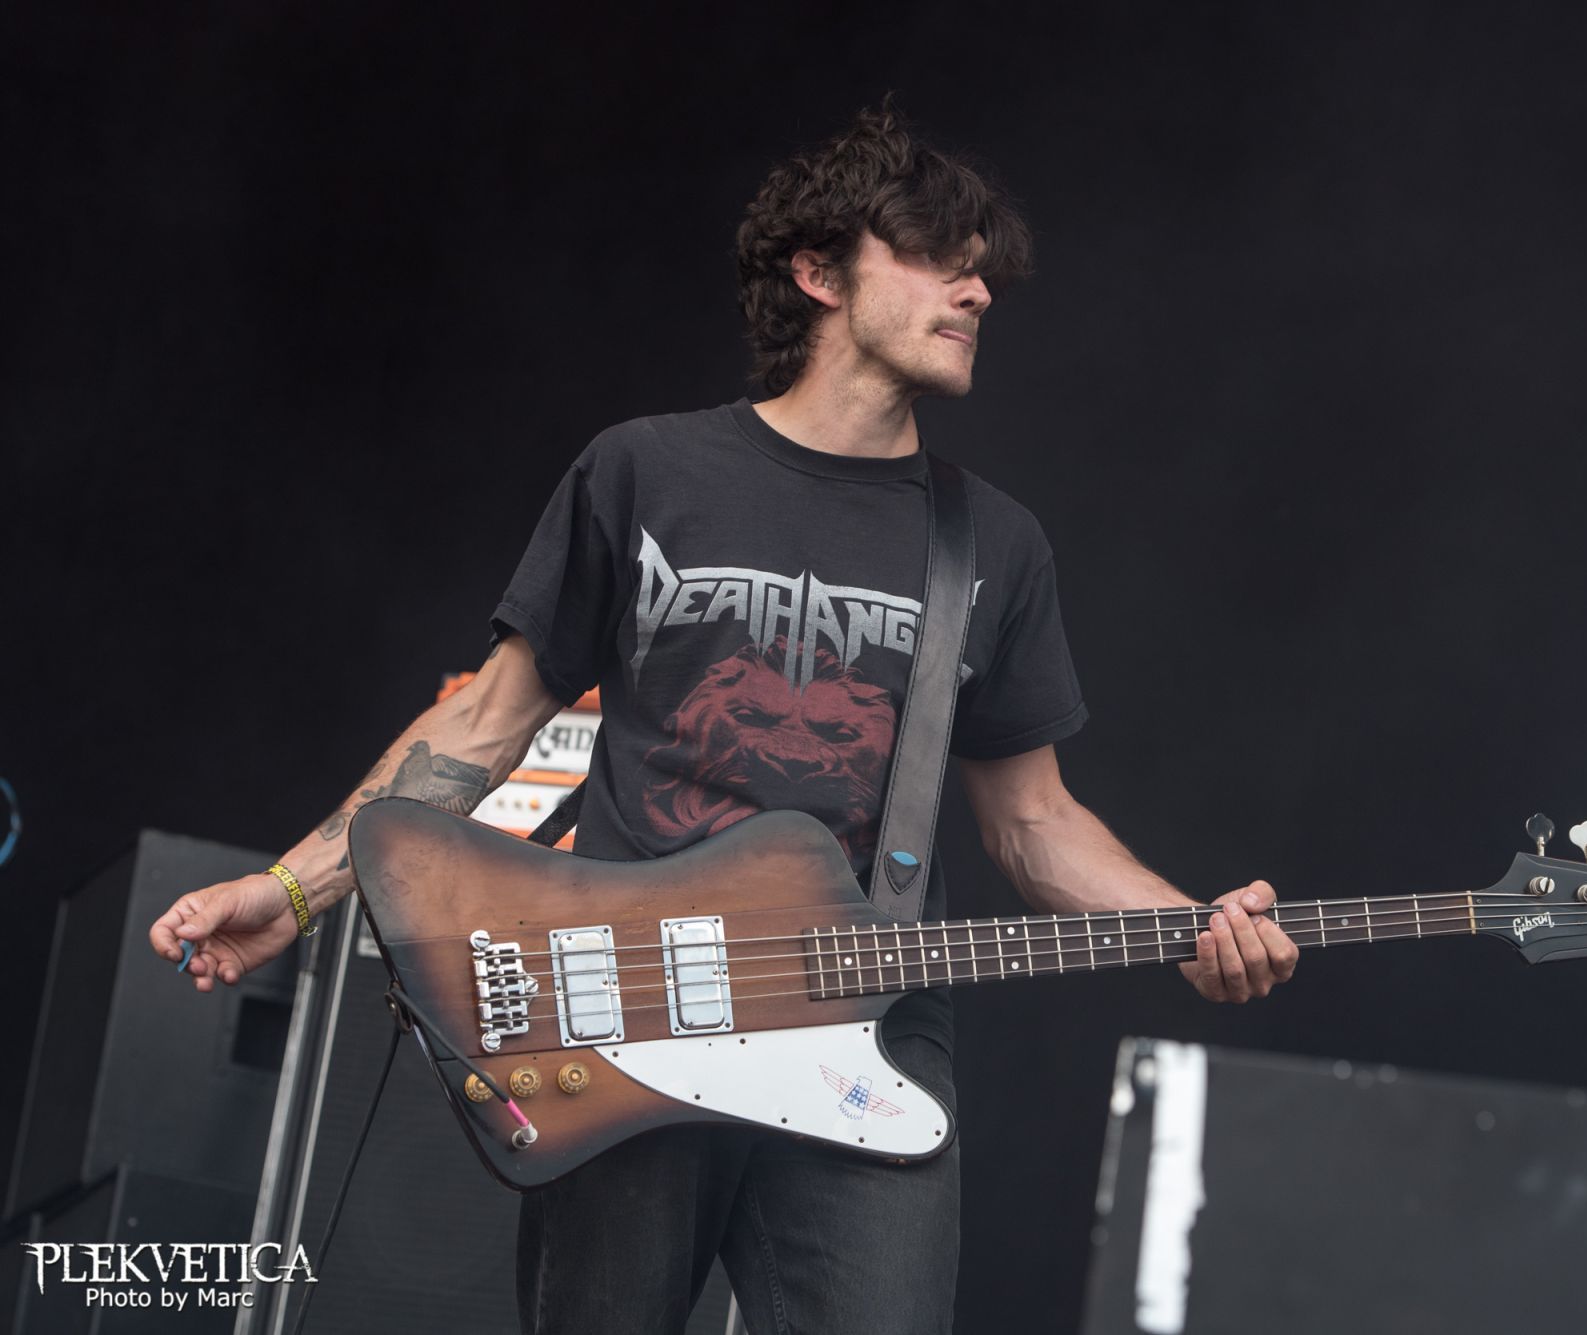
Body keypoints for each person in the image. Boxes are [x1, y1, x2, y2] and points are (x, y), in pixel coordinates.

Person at [149, 98, 1299, 1334]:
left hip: (869, 1026)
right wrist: (294, 889)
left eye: (984, 274)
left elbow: (1031, 822)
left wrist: (1184, 927)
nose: (975, 291)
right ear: (818, 272)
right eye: (935, 256)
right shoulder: (645, 471)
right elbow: (485, 723)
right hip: (632, 1008)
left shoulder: (991, 545)